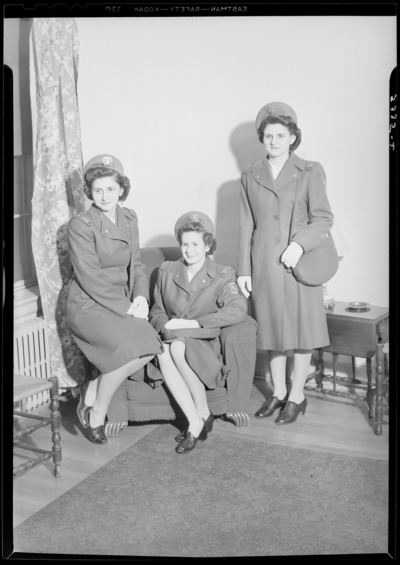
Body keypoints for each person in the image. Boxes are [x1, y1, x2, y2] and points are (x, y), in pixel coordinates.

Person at [237, 102, 333, 425]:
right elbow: (245, 225)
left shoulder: (310, 171)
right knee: (271, 331)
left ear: (293, 137)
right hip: (264, 264)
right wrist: (243, 270)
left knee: (303, 331)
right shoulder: (250, 175)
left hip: (298, 265)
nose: (274, 141)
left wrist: (299, 244)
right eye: (268, 135)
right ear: (261, 138)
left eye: (281, 134)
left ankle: (297, 395)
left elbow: (323, 219)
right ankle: (278, 392)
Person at [67, 154, 164, 444]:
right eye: (97, 190)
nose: (104, 196)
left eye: (111, 188)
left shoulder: (130, 218)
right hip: (88, 304)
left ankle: (93, 388)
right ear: (89, 192)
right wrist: (128, 308)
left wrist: (141, 299)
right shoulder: (81, 225)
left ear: (121, 188)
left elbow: (136, 265)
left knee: (150, 346)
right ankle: (97, 412)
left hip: (123, 301)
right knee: (128, 347)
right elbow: (91, 278)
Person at [149, 212, 248, 453]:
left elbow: (238, 310)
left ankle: (201, 415)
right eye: (184, 244)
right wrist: (166, 327)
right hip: (172, 337)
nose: (189, 250)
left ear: (207, 245)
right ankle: (198, 418)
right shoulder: (167, 270)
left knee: (178, 347)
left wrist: (195, 325)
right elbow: (157, 312)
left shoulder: (223, 274)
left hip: (203, 340)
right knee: (164, 349)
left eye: (195, 244)